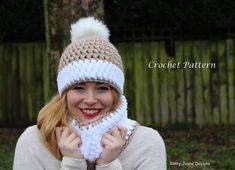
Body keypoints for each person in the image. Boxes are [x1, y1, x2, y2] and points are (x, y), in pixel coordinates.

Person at [13, 17, 166, 170]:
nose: (90, 99)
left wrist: (108, 165)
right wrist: (73, 163)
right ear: (64, 93)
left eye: (102, 88)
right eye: (79, 87)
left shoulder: (147, 143)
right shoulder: (34, 141)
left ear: (116, 94)